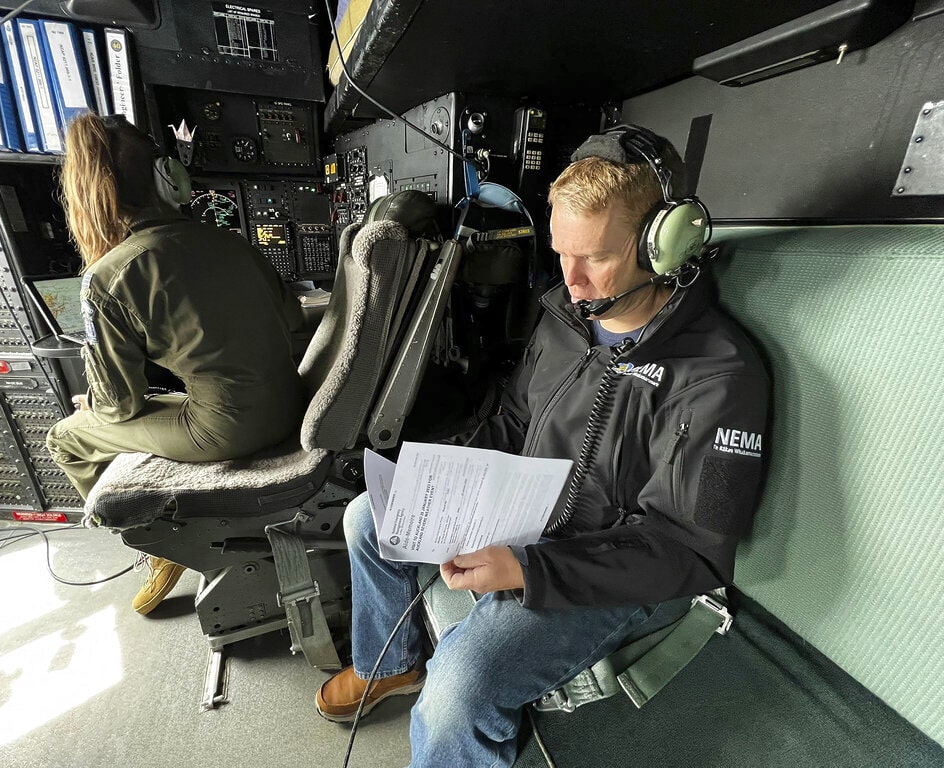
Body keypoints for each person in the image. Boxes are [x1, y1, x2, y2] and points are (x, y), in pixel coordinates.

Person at [314, 125, 771, 767]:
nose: (573, 281)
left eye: (596, 259)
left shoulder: (720, 377)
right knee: (368, 513)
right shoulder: (563, 313)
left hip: (616, 568)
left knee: (459, 690)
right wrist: (439, 479)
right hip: (531, 517)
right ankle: (386, 663)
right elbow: (515, 420)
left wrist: (531, 570)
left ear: (662, 247)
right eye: (561, 254)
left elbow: (689, 552)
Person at [46, 113, 306, 615]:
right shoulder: (232, 241)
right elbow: (292, 326)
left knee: (69, 435)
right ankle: (164, 538)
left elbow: (119, 408)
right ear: (168, 176)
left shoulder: (107, 277)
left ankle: (159, 544)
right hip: (290, 403)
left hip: (227, 430)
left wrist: (94, 405)